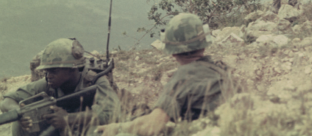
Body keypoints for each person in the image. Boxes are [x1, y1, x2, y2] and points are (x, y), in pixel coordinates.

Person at [96, 13, 232, 136]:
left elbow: (152, 126)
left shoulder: (184, 76)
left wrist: (118, 128)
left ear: (172, 52)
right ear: (204, 45)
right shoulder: (220, 70)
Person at [0, 38, 120, 136]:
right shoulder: (48, 84)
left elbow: (112, 113)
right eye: (46, 71)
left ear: (72, 69)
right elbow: (8, 100)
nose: (48, 76)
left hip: (85, 129)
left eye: (54, 71)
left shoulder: (95, 81)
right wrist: (19, 113)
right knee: (19, 124)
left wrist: (68, 119)